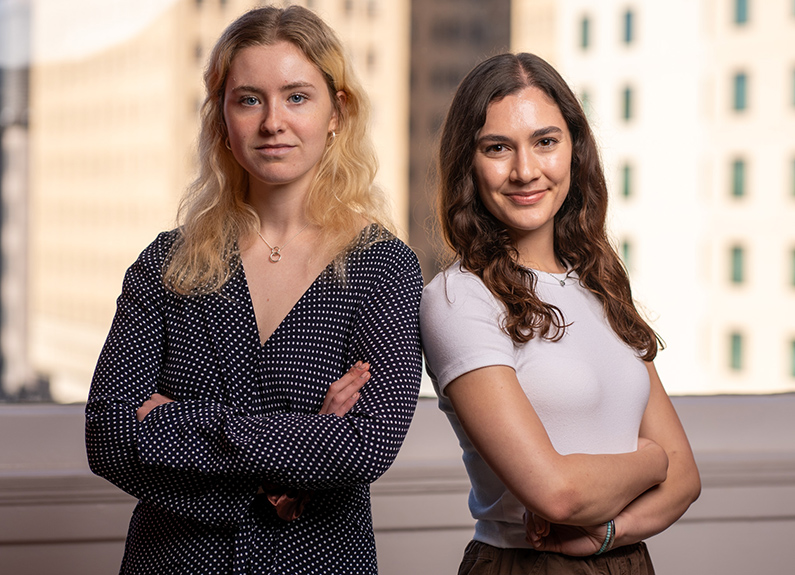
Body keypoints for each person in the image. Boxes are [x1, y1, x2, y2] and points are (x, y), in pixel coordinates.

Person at [85, 6, 423, 574]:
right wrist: (282, 471)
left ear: (337, 111)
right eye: (248, 99)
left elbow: (366, 445)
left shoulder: (383, 267)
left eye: (297, 96)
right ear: (221, 116)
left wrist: (173, 421)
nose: (272, 122)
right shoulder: (166, 263)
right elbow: (110, 433)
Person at [420, 52, 701, 574]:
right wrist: (650, 460)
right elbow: (558, 495)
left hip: (626, 559)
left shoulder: (600, 284)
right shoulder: (459, 299)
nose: (526, 171)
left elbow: (687, 479)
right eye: (497, 148)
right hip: (527, 565)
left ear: (574, 150)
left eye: (545, 142)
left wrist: (611, 533)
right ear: (468, 163)